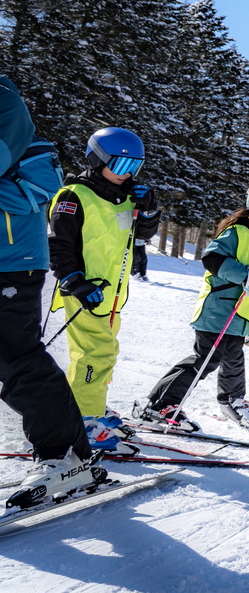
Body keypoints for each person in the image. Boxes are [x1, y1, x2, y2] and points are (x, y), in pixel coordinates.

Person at [0, 76, 104, 504]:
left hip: (12, 265)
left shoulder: (8, 109)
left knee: (17, 359)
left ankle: (66, 457)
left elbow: (25, 188)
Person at [137, 181, 249, 430]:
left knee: (233, 358)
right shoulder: (237, 232)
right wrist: (243, 274)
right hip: (219, 308)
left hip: (243, 314)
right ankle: (159, 405)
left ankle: (232, 400)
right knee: (207, 358)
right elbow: (212, 258)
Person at [47, 127, 160, 450]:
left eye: (134, 168)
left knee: (103, 353)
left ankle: (90, 406)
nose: (127, 176)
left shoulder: (124, 196)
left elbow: (143, 234)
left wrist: (149, 209)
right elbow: (58, 245)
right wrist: (74, 281)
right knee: (94, 353)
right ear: (97, 160)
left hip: (111, 296)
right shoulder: (74, 195)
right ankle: (84, 419)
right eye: (121, 166)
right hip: (85, 291)